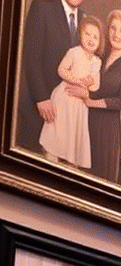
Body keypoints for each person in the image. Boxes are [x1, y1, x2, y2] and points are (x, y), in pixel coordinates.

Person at [16, 0, 90, 153]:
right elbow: (31, 58)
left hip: (69, 117)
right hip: (39, 110)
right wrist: (41, 98)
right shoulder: (41, 8)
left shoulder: (87, 22)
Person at [65, 7, 121, 186]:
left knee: (100, 180)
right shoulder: (98, 57)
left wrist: (91, 102)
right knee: (78, 174)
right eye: (113, 28)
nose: (117, 34)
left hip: (107, 128)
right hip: (85, 120)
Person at [37, 15, 102, 169]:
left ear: (100, 42)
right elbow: (61, 70)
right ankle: (51, 156)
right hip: (64, 98)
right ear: (80, 34)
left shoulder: (96, 62)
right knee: (59, 129)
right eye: (87, 34)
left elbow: (96, 84)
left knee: (73, 133)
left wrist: (91, 83)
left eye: (95, 37)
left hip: (79, 105)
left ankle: (70, 162)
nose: (91, 39)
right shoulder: (74, 52)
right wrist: (77, 81)